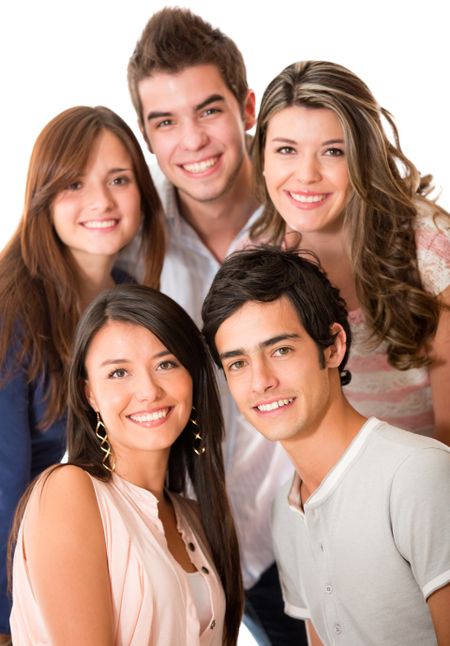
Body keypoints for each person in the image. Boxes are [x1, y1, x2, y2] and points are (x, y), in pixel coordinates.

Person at [120, 8, 304, 645]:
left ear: (247, 107)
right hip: (200, 545)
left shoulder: (307, 211)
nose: (191, 141)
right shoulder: (131, 249)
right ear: (146, 134)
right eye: (164, 121)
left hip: (312, 528)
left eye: (208, 110)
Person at [201, 245, 450, 646]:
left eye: (280, 350)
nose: (260, 381)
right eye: (238, 363)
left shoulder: (418, 475)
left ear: (333, 346)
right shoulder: (286, 513)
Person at [0, 105, 165, 643]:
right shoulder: (9, 314)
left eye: (119, 179)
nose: (102, 201)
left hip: (106, 584)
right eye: (74, 182)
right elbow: (5, 491)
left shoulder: (130, 303)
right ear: (43, 196)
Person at [9, 284, 243, 645]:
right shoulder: (68, 492)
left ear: (192, 377)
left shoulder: (198, 517)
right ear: (90, 394)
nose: (148, 391)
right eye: (119, 373)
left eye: (166, 364)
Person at [250, 60, 450, 445]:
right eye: (287, 149)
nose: (306, 174)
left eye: (333, 152)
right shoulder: (261, 260)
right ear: (262, 160)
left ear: (363, 158)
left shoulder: (430, 248)